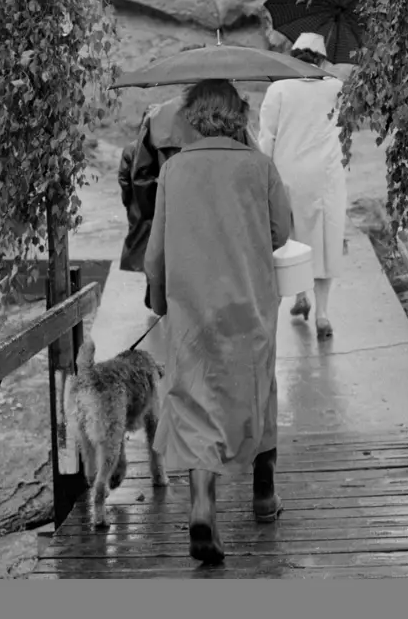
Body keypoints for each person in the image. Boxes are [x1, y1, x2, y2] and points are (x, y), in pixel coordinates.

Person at [144, 78, 293, 566]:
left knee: (193, 402)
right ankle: (264, 495)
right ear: (237, 115)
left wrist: (162, 301)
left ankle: (203, 502)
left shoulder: (174, 171)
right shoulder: (259, 166)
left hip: (192, 308)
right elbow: (280, 231)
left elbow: (156, 251)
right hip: (249, 305)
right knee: (258, 392)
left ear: (192, 116)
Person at [258, 31, 347, 341]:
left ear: (293, 56)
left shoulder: (278, 89)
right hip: (326, 177)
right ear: (321, 60)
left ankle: (300, 298)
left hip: (287, 175)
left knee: (291, 239)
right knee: (325, 241)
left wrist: (263, 175)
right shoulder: (336, 88)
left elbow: (266, 137)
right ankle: (322, 313)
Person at [118, 95, 200, 312]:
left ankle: (156, 293)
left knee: (154, 252)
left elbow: (134, 178)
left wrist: (143, 207)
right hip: (192, 210)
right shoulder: (197, 128)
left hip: (156, 206)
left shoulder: (140, 141)